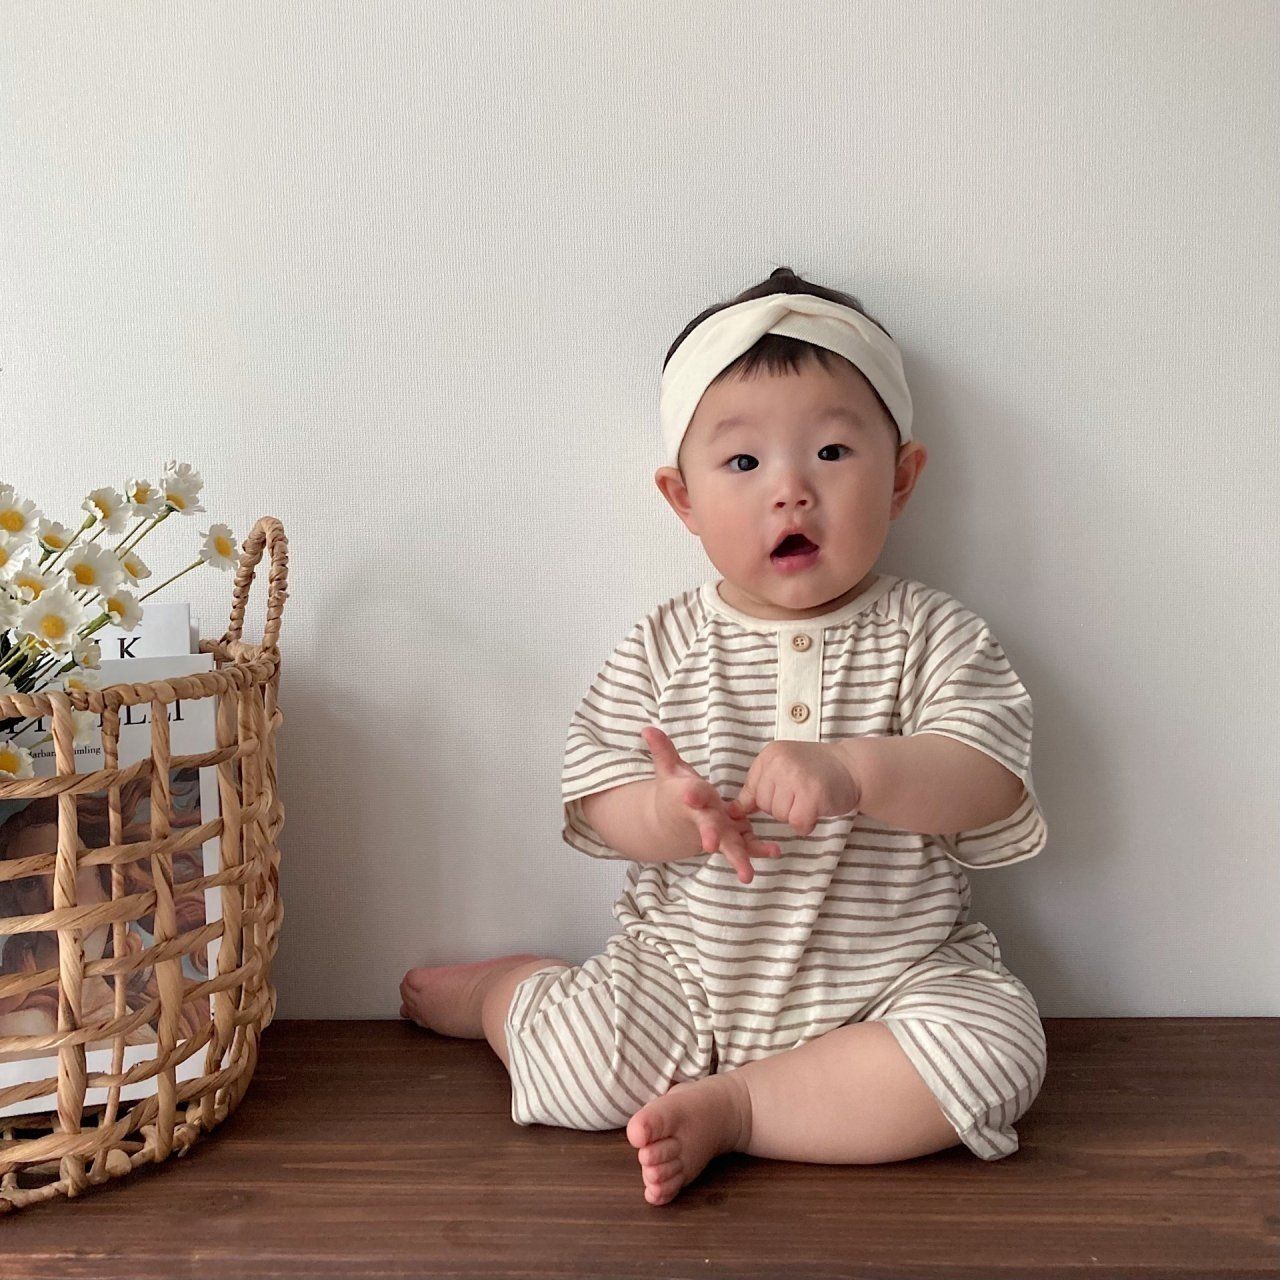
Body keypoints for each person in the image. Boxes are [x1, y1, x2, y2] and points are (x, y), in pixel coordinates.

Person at [400, 266, 1049, 1206]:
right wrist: (667, 814)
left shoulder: (932, 634)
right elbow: (596, 793)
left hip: (892, 980)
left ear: (902, 478)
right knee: (581, 1068)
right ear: (684, 500)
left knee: (995, 1048)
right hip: (688, 977)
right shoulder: (666, 644)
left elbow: (988, 777)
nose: (791, 491)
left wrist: (856, 770)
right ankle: (499, 995)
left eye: (832, 451)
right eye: (743, 463)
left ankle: (740, 1109)